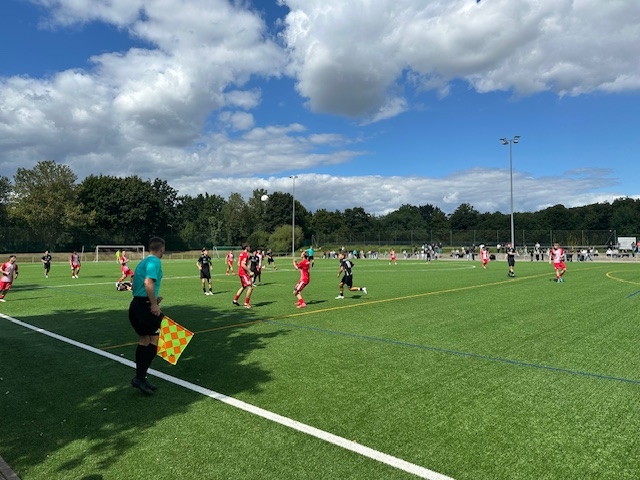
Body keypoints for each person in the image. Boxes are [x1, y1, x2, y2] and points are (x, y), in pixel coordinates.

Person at [128, 237, 166, 395]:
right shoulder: (154, 262)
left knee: (144, 340)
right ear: (162, 248)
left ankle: (140, 378)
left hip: (136, 305)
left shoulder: (142, 262)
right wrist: (154, 304)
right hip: (145, 306)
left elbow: (135, 286)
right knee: (155, 341)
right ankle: (140, 378)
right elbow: (148, 282)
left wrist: (153, 299)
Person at [232, 243, 253, 308]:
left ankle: (235, 300)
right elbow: (242, 264)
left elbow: (239, 263)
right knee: (250, 287)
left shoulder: (241, 254)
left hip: (241, 272)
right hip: (243, 273)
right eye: (249, 247)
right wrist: (249, 272)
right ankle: (246, 303)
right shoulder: (245, 254)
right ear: (246, 247)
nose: (250, 248)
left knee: (244, 286)